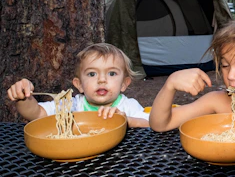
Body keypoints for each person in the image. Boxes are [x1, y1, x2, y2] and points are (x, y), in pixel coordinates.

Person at [7, 43, 149, 128]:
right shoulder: (72, 106)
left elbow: (151, 123)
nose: (102, 80)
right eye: (92, 74)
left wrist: (127, 120)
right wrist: (23, 97)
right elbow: (37, 113)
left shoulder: (128, 106)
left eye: (111, 73)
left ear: (124, 84)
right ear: (79, 85)